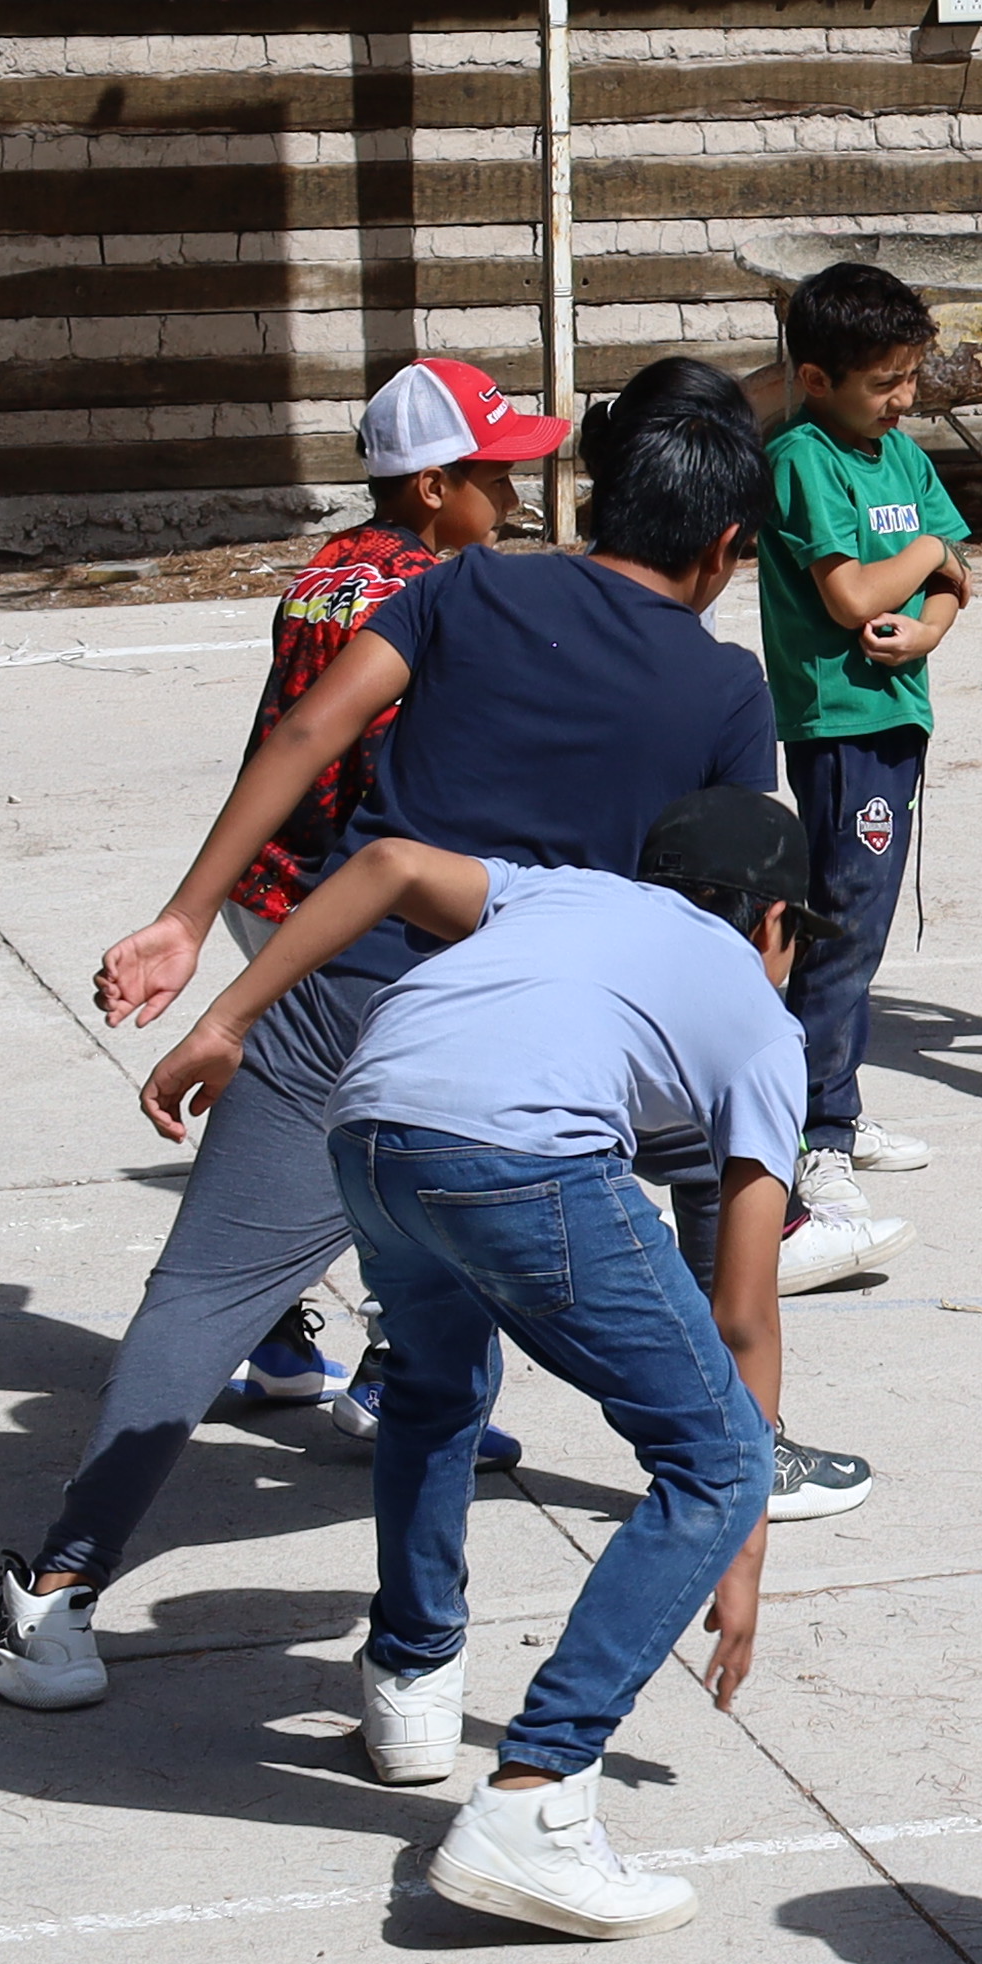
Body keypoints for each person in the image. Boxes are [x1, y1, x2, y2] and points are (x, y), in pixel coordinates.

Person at [0, 383, 829, 1722]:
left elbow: (309, 733)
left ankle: (53, 1600)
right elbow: (719, 916)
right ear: (726, 546)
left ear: (598, 498)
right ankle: (427, 1669)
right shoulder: (725, 686)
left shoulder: (467, 591)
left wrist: (184, 922)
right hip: (534, 1058)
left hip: (351, 999)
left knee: (202, 1301)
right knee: (477, 1352)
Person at [133, 790, 813, 1938]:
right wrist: (737, 1537)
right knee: (717, 1458)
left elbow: (392, 860)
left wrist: (228, 1020)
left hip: (369, 1126)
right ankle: (537, 1796)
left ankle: (409, 1682)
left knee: (435, 1388)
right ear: (777, 920)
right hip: (518, 1153)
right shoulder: (761, 1016)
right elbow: (742, 1310)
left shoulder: (563, 890)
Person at [212, 352, 568, 1419]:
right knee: (399, 1130)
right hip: (348, 902)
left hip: (264, 884)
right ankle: (394, 1369)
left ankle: (270, 1335)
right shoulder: (436, 596)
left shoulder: (325, 568)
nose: (512, 496)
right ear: (431, 486)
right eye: (493, 474)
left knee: (304, 1106)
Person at [760, 261, 963, 1227]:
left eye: (909, 377)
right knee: (841, 927)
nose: (903, 398)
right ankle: (814, 1135)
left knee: (863, 925)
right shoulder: (804, 458)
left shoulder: (906, 458)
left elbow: (955, 584)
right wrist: (926, 557)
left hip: (894, 715)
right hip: (840, 726)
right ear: (816, 381)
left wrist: (928, 626)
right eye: (883, 382)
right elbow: (850, 597)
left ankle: (835, 1105)